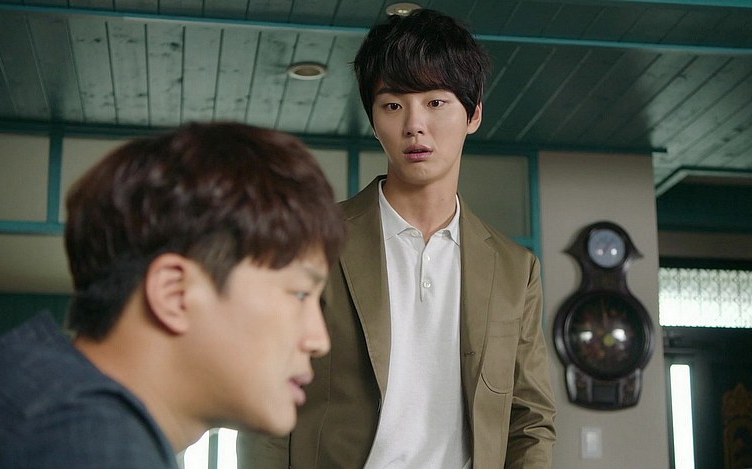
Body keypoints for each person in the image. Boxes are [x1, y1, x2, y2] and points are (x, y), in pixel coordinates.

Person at [237, 8, 556, 468]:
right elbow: (263, 395)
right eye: (392, 105)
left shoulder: (515, 269)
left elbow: (530, 419)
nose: (414, 125)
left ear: (473, 115)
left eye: (436, 102)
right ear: (373, 119)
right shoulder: (312, 241)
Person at [0, 122, 345, 468]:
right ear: (175, 294)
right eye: (300, 294)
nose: (319, 341)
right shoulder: (90, 445)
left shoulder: (38, 403)